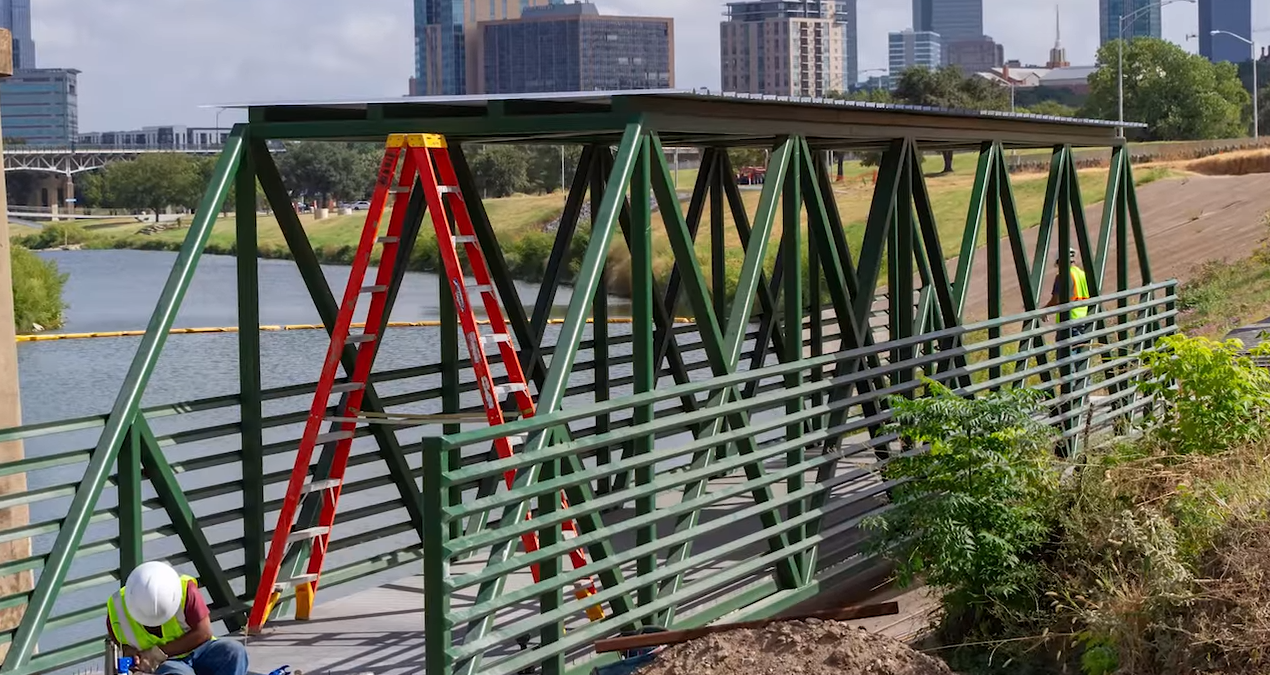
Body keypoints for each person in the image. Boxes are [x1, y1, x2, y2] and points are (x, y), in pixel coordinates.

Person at [106, 561, 248, 675]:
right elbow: (121, 644)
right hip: (167, 664)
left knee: (233, 652)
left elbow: (204, 632)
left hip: (200, 650)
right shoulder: (118, 609)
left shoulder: (185, 589)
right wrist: (131, 654)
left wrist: (158, 653)